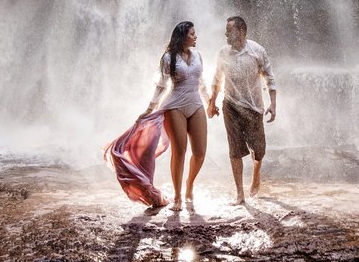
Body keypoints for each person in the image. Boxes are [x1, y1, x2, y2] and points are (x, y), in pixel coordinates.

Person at [105, 21, 209, 211]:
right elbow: (161, 86)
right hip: (175, 105)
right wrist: (149, 109)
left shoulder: (198, 56)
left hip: (196, 105)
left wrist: (210, 102)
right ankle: (178, 196)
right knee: (180, 152)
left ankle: (189, 184)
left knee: (200, 153)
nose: (196, 37)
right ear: (183, 36)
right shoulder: (168, 57)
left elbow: (201, 82)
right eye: (192, 34)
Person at [207, 15, 276, 205]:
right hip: (230, 105)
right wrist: (212, 102)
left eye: (229, 30)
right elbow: (216, 79)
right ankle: (239, 193)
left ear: (241, 31)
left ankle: (256, 174)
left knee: (258, 150)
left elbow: (269, 77)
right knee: (235, 150)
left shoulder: (257, 51)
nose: (225, 33)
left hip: (254, 107)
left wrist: (273, 104)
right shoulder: (223, 53)